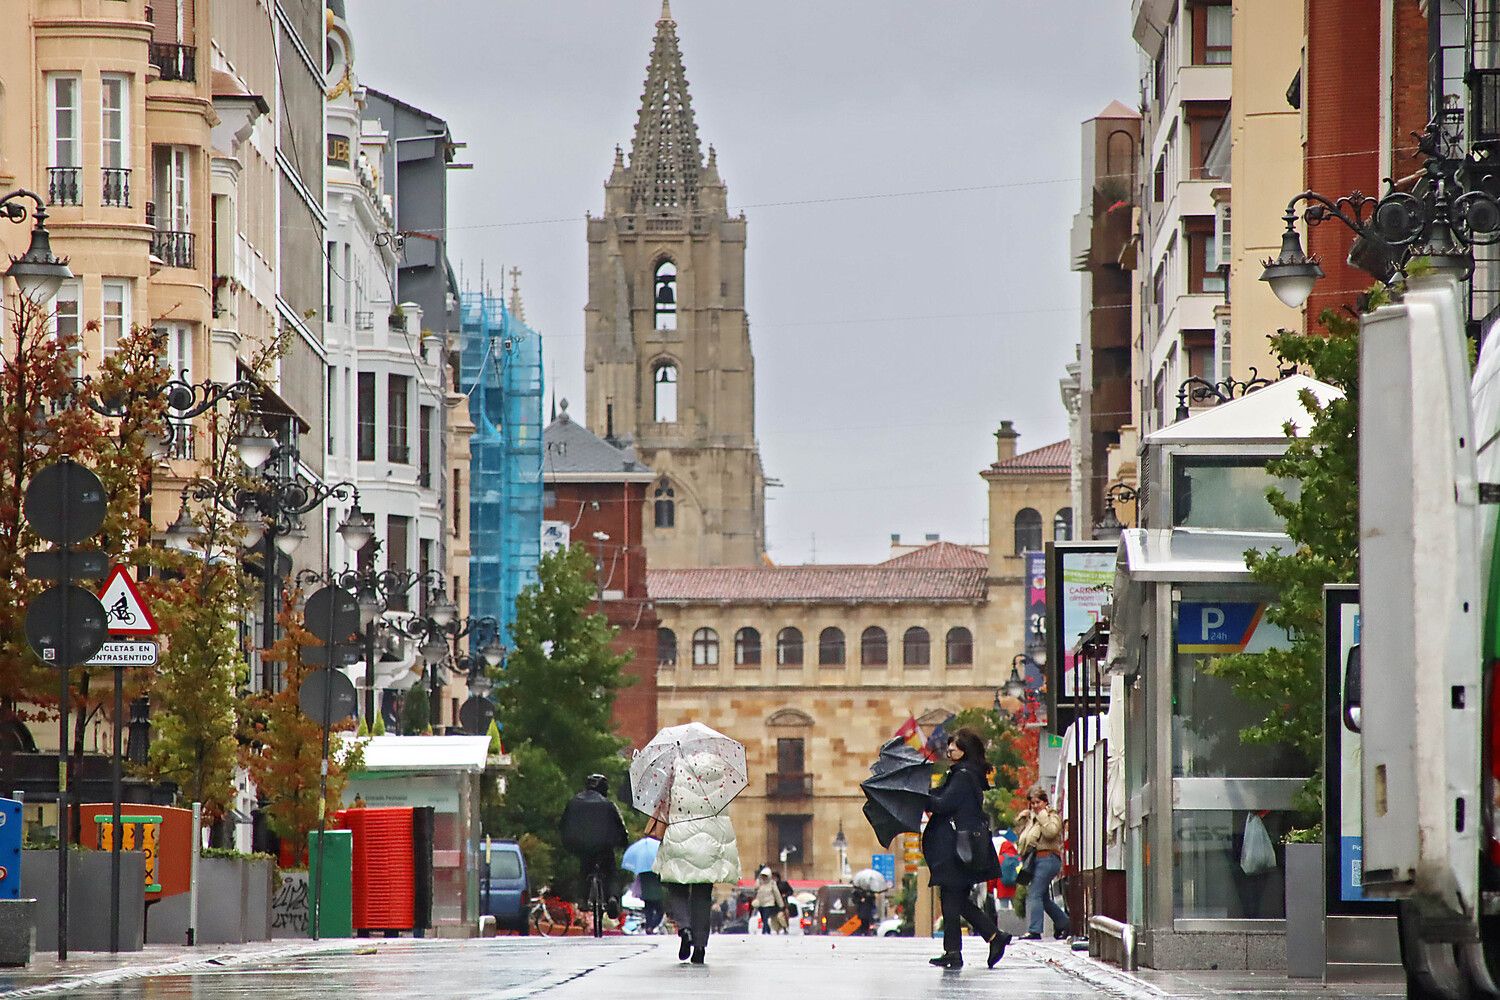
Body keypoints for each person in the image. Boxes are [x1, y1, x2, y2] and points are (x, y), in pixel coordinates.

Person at [922, 727, 1011, 970]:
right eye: (950, 745)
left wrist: (921, 798)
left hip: (957, 847)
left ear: (965, 751)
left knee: (953, 897)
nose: (949, 749)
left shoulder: (962, 776)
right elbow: (944, 797)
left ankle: (977, 942)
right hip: (960, 846)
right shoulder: (963, 774)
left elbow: (944, 803)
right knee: (954, 899)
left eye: (955, 746)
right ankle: (979, 942)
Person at [653, 750, 741, 965]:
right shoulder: (719, 773)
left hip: (680, 837)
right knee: (702, 894)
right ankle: (700, 946)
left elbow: (664, 803)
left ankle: (684, 929)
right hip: (709, 843)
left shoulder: (676, 769)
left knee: (677, 887)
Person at [559, 774, 629, 935]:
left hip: (582, 847)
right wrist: (622, 842)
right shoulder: (608, 805)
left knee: (584, 870)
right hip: (604, 847)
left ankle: (583, 899)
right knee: (610, 873)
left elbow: (563, 825)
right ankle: (612, 897)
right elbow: (620, 828)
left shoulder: (574, 803)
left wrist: (569, 844)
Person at [1015, 785, 1071, 941]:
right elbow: (1024, 840)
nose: (1035, 806)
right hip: (1036, 860)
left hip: (1048, 859)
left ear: (1045, 802)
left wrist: (1042, 817)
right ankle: (1064, 923)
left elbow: (1052, 832)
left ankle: (1034, 930)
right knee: (1043, 897)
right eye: (1032, 803)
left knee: (1034, 893)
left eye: (1038, 802)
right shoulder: (1032, 819)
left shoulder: (1051, 816)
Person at [753, 867, 783, 934]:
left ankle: (764, 931)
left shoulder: (772, 883)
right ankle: (768, 930)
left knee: (766, 917)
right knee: (763, 918)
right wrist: (758, 882)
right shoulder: (760, 882)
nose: (764, 877)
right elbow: (755, 889)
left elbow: (777, 894)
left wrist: (781, 904)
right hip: (760, 903)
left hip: (769, 904)